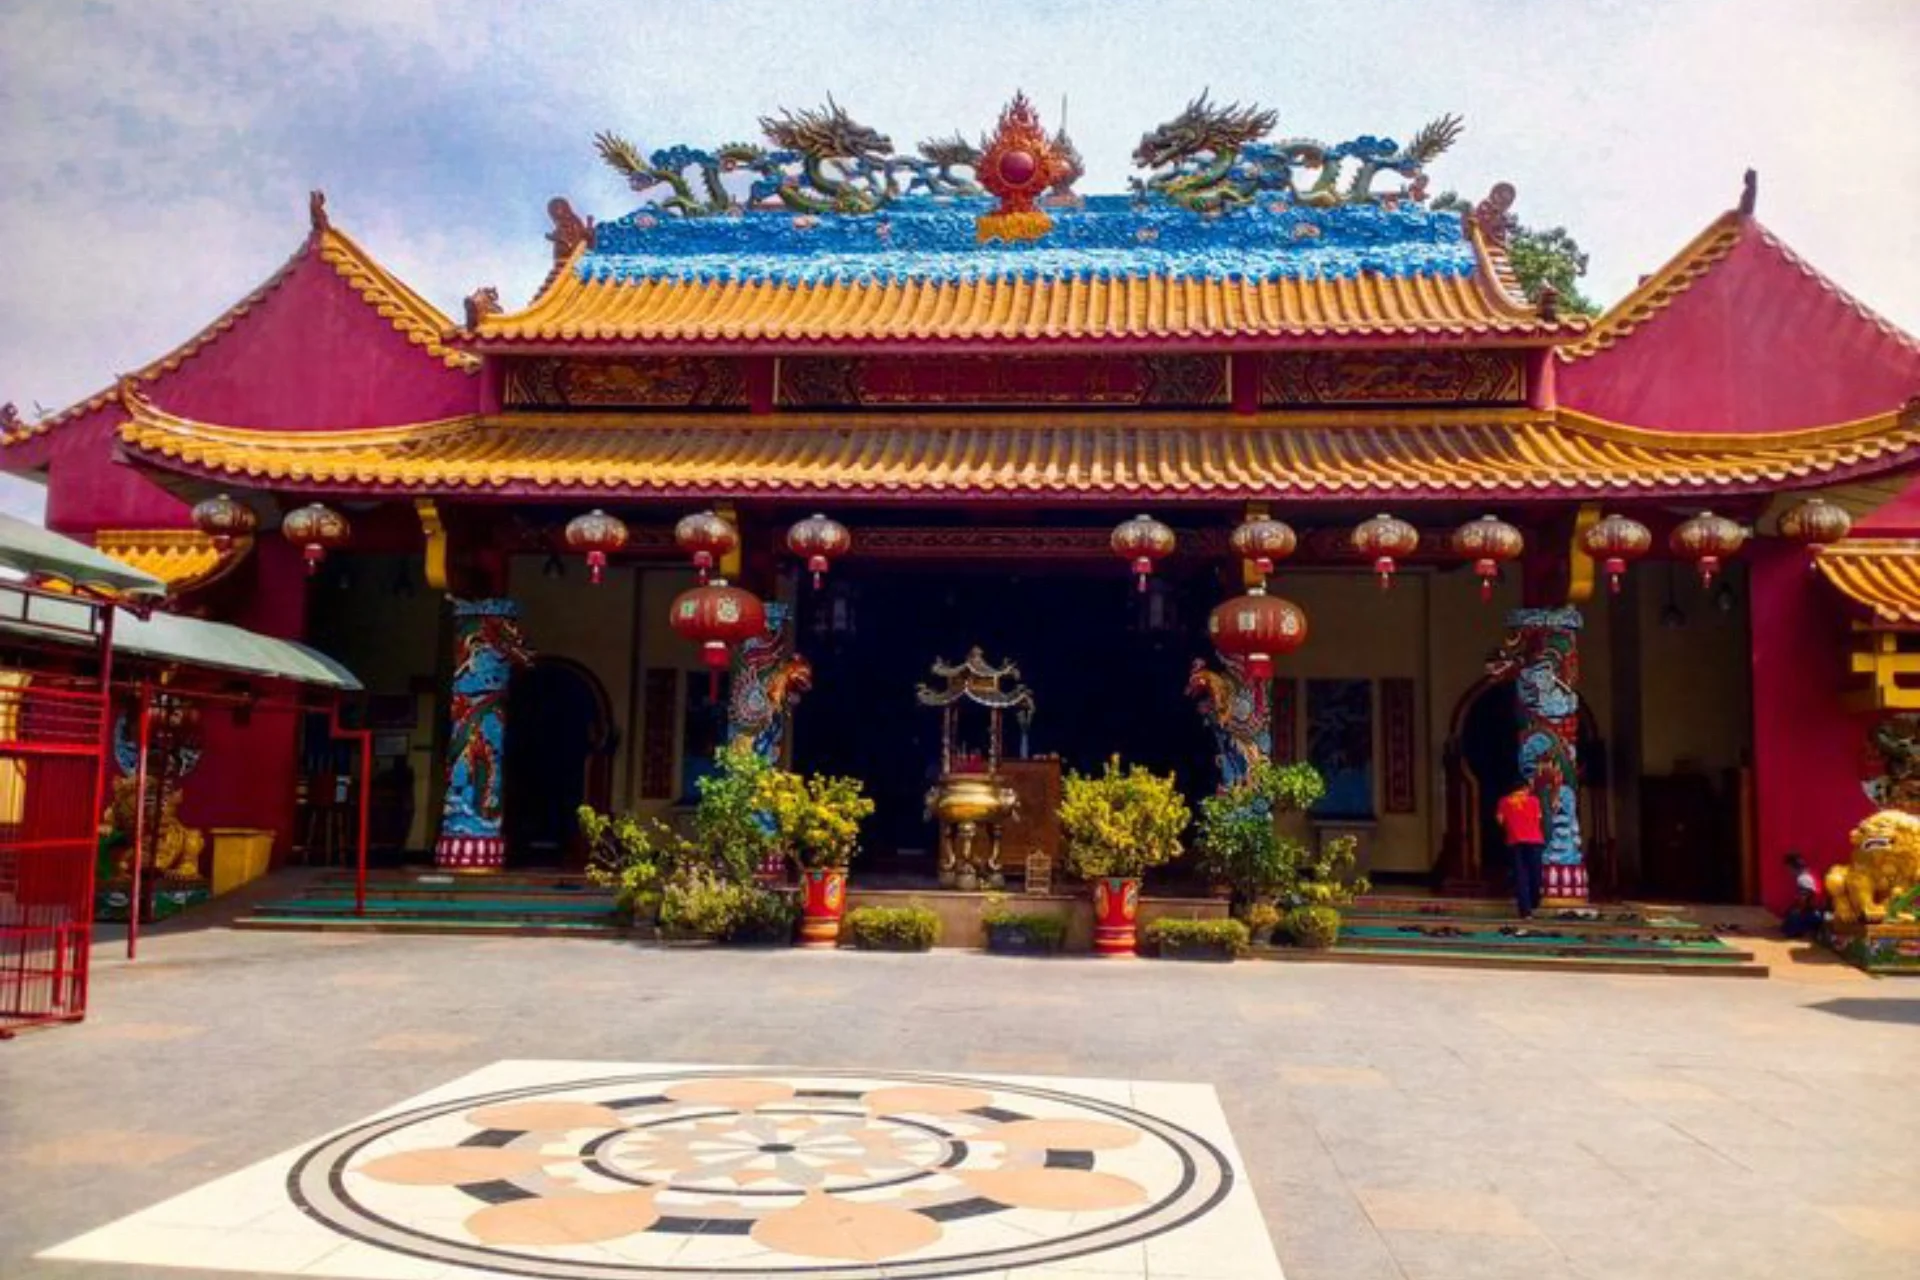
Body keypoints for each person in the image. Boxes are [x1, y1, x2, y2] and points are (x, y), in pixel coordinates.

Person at [1494, 781, 1546, 918]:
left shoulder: (1504, 801)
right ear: (1525, 788)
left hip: (1515, 842)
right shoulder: (1534, 801)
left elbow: (1500, 821)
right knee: (1535, 874)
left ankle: (1526, 911)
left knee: (1521, 877)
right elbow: (1539, 818)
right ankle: (1534, 901)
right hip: (1535, 841)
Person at [1781, 852, 1824, 938]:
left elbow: (1804, 897)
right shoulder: (1807, 875)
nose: (1788, 871)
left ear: (1792, 867)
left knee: (1790, 925)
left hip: (1814, 914)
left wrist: (1797, 911)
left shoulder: (1803, 878)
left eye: (1788, 868)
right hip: (1814, 911)